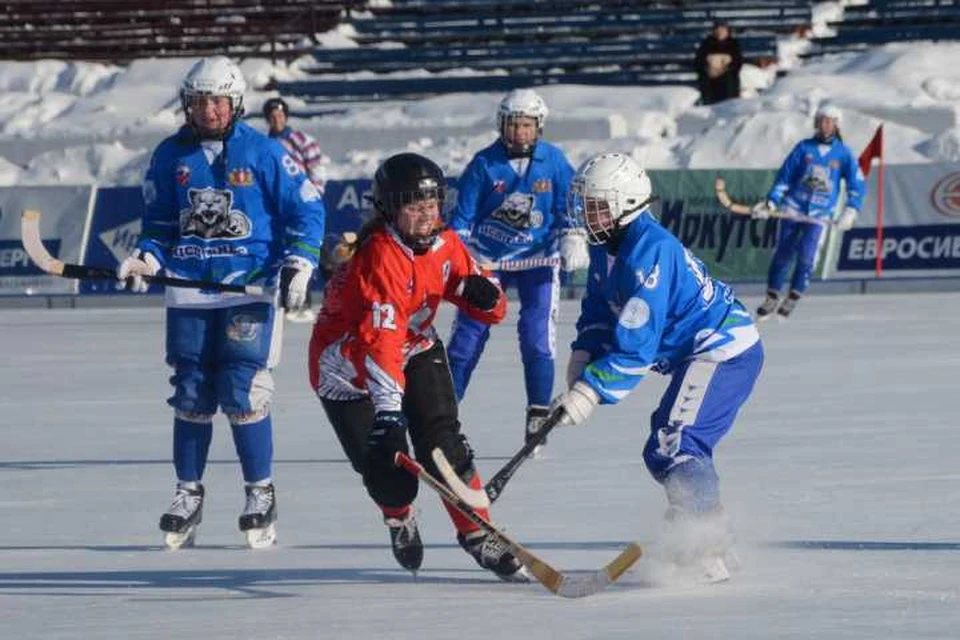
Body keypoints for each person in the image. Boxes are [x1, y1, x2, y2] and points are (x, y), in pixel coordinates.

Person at [116, 56, 326, 550]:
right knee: (191, 392)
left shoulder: (265, 152)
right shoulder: (170, 156)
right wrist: (146, 256)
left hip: (247, 287)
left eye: (217, 100)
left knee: (242, 388)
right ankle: (187, 492)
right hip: (188, 290)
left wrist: (300, 260)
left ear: (235, 103)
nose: (208, 110)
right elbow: (161, 224)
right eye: (198, 101)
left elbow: (306, 207)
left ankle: (260, 491)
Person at [308, 152, 529, 582]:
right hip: (347, 372)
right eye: (415, 208)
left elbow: (478, 292)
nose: (428, 217)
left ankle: (477, 533)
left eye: (433, 206)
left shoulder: (445, 242)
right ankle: (399, 516)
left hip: (413, 349)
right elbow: (380, 344)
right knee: (389, 471)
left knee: (444, 444)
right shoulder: (379, 258)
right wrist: (390, 415)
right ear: (391, 210)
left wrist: (487, 297)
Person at [547, 152, 764, 582]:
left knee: (675, 443)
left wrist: (591, 392)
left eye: (595, 204)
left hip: (722, 351)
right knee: (668, 442)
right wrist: (583, 358)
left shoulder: (649, 252)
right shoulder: (607, 246)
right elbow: (598, 311)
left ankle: (707, 539)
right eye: (584, 204)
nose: (585, 213)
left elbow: (635, 349)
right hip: (698, 354)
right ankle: (706, 530)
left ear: (625, 204)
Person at [446, 88, 584, 454]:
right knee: (467, 338)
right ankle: (442, 414)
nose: (520, 132)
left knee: (537, 334)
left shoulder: (554, 161)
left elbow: (570, 205)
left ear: (539, 126)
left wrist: (573, 234)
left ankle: (537, 413)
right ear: (501, 125)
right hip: (488, 259)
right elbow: (461, 220)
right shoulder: (483, 164)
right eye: (513, 124)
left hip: (539, 260)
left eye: (527, 125)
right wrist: (458, 260)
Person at [752, 102, 864, 320]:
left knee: (807, 257)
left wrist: (851, 209)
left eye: (830, 121)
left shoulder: (844, 154)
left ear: (837, 125)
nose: (825, 125)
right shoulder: (803, 148)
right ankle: (772, 295)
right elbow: (784, 179)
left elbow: (856, 184)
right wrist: (772, 202)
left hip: (819, 215)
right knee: (783, 253)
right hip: (793, 209)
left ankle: (794, 296)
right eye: (822, 120)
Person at [262, 96, 329, 323]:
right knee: (279, 254)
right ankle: (282, 301)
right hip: (273, 210)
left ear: (286, 116)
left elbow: (317, 170)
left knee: (302, 251)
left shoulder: (302, 140)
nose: (276, 120)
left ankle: (304, 302)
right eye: (272, 117)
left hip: (299, 206)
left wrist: (311, 201)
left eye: (280, 115)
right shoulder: (263, 145)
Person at [694, 20, 743, 106]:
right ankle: (707, 105)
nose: (720, 32)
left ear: (727, 31)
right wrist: (707, 68)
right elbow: (699, 61)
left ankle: (730, 105)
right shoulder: (707, 43)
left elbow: (738, 61)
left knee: (730, 80)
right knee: (704, 80)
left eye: (722, 29)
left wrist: (727, 68)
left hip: (727, 73)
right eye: (717, 29)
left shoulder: (733, 44)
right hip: (710, 75)